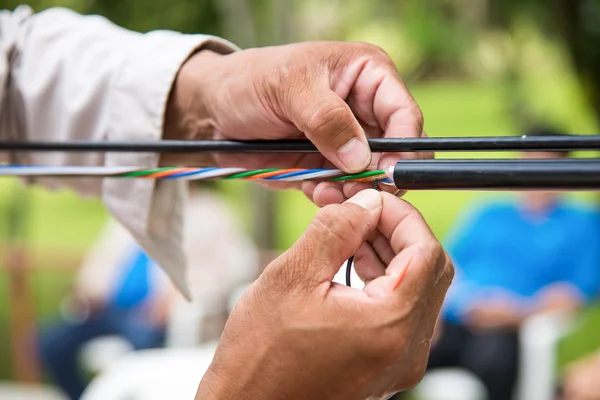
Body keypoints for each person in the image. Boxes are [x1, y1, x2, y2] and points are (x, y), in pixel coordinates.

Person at [0, 5, 453, 399]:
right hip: (113, 316)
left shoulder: (211, 215)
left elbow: (18, 69)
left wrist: (207, 92)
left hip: (149, 323)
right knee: (54, 342)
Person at [420, 129, 600, 400]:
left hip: (511, 329)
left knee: (494, 364)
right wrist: (441, 310)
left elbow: (573, 294)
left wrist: (516, 313)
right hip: (459, 319)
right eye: (527, 161)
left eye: (544, 165)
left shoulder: (582, 224)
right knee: (395, 354)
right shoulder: (489, 212)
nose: (532, 173)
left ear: (566, 171)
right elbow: (446, 266)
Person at [38, 184, 257, 399]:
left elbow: (237, 266)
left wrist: (177, 297)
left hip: (154, 318)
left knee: (140, 350)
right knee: (51, 343)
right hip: (107, 310)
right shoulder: (131, 209)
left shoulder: (212, 213)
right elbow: (102, 261)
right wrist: (89, 291)